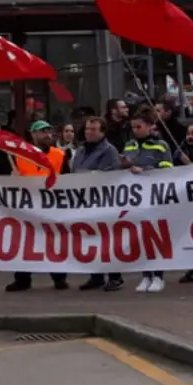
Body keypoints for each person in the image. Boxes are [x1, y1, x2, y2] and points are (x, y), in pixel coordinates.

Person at [5, 120, 70, 293]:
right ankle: (22, 279)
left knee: (53, 241)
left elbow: (69, 179)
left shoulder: (59, 155)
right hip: (28, 205)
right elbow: (10, 182)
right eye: (42, 132)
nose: (47, 135)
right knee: (25, 242)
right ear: (33, 135)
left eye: (49, 131)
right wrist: (14, 177)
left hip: (51, 204)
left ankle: (59, 278)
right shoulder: (20, 156)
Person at [121, 108, 175, 293]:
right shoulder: (129, 145)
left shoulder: (161, 145)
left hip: (154, 198)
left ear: (150, 127)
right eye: (133, 127)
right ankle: (145, 275)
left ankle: (159, 276)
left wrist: (145, 171)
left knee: (155, 237)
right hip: (135, 199)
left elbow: (168, 169)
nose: (135, 130)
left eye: (139, 126)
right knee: (140, 238)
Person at [71, 116, 125, 291]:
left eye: (93, 129)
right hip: (84, 201)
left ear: (102, 132)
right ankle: (96, 275)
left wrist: (92, 175)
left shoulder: (109, 151)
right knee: (91, 240)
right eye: (87, 129)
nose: (89, 132)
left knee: (108, 241)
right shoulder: (80, 151)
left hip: (103, 201)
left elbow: (113, 173)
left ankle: (115, 277)